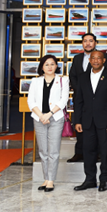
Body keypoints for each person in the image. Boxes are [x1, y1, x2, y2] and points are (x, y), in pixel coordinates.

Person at [72, 50, 107, 192]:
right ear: (89, 60)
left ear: (104, 60)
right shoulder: (83, 77)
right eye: (93, 58)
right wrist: (77, 121)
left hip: (105, 121)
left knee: (105, 151)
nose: (96, 60)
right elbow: (78, 101)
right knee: (88, 151)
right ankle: (90, 179)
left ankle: (104, 180)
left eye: (99, 58)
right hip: (87, 121)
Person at [28, 55, 70, 193]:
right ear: (42, 67)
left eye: (52, 64)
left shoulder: (63, 80)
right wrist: (41, 116)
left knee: (53, 150)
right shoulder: (35, 81)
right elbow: (31, 101)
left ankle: (51, 180)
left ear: (56, 66)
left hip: (55, 118)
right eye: (46, 64)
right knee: (43, 150)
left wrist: (49, 114)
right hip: (39, 118)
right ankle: (46, 178)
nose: (50, 67)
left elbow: (63, 100)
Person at [67, 33, 96, 163]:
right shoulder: (77, 58)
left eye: (90, 41)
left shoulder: (101, 57)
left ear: (95, 43)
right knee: (78, 124)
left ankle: (96, 153)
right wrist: (79, 89)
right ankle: (79, 153)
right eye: (85, 41)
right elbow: (72, 75)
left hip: (95, 97)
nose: (88, 43)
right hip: (79, 97)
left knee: (94, 126)